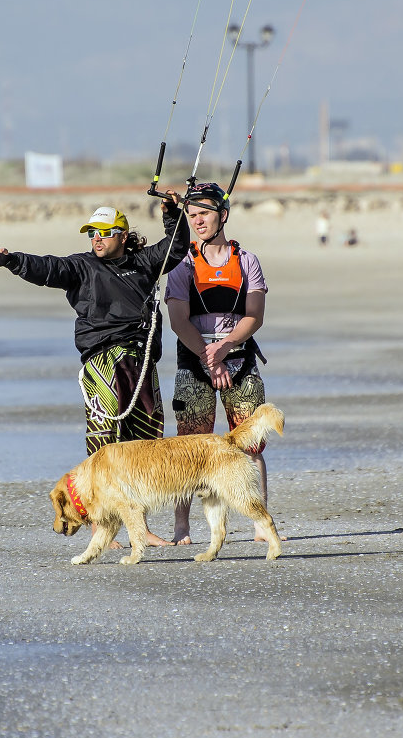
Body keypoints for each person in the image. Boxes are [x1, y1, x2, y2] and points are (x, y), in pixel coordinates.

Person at [0, 196, 189, 547]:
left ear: (122, 235)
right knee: (104, 440)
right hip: (103, 361)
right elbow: (47, 268)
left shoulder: (144, 262)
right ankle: (99, 527)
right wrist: (9, 260)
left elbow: (177, 248)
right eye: (92, 234)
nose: (96, 239)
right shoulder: (82, 267)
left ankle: (142, 529)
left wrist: (173, 215)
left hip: (141, 360)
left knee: (144, 447)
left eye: (104, 233)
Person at [164, 182, 274, 546]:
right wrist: (208, 357)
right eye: (191, 215)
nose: (197, 221)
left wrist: (227, 346)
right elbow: (178, 320)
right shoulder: (182, 264)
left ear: (222, 215)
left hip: (238, 359)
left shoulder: (247, 261)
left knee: (250, 446)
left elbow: (254, 315)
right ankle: (182, 526)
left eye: (204, 214)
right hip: (195, 361)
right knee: (189, 449)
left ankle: (261, 523)